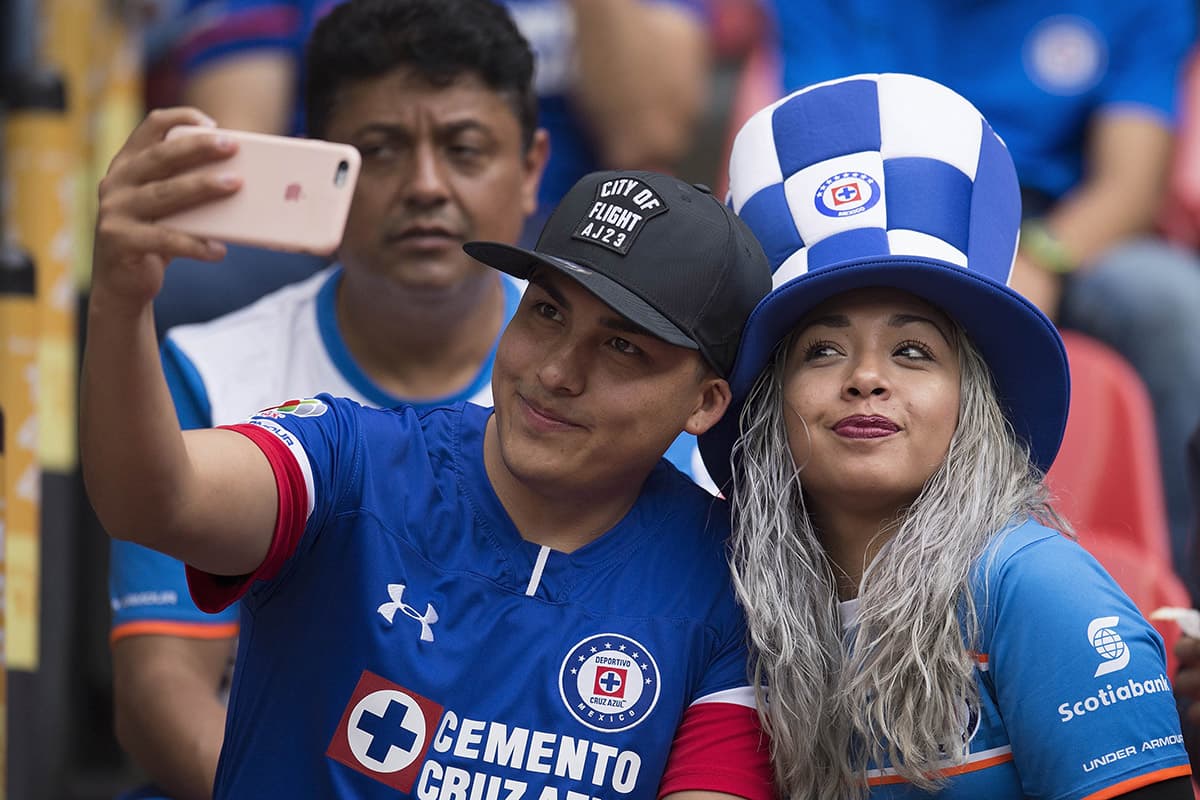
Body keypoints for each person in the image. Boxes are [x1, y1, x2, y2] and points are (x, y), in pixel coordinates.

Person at [84, 59, 777, 794]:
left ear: (705, 402)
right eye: (546, 312)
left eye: (621, 346)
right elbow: (153, 501)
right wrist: (121, 299)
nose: (556, 371)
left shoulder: (730, 579)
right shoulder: (352, 460)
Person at [699, 72, 1193, 799]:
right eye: (822, 351)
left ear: (972, 402)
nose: (866, 378)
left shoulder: (1034, 588)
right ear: (770, 405)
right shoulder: (740, 597)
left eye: (912, 352)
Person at [105, 1, 548, 796]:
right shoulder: (210, 367)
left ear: (533, 168)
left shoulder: (615, 376)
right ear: (320, 170)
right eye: (378, 150)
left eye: (464, 147)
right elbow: (159, 689)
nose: (424, 185)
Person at [761, 0, 1200, 602]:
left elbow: (1129, 185)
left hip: (1057, 234)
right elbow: (812, 150)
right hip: (870, 228)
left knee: (1166, 297)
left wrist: (1039, 257)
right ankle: (769, 574)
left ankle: (1185, 605)